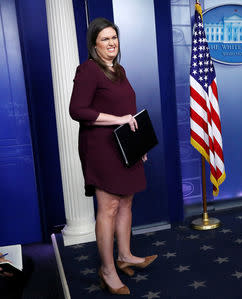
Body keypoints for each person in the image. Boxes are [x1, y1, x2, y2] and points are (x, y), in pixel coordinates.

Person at [69, 17, 157, 295]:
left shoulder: (119, 70)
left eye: (114, 37)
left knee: (126, 203)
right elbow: (78, 111)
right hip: (101, 149)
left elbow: (129, 114)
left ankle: (125, 256)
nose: (111, 43)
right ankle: (107, 270)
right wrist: (116, 118)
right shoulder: (88, 70)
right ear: (94, 43)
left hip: (124, 147)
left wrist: (138, 145)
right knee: (108, 208)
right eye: (105, 38)